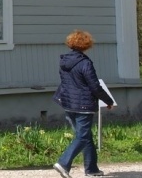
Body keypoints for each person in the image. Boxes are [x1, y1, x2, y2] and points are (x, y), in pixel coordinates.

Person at [52, 30, 114, 178]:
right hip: (83, 105)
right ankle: (63, 163)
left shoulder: (64, 62)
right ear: (87, 45)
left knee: (86, 136)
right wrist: (108, 100)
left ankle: (91, 169)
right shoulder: (85, 63)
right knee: (83, 137)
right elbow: (94, 86)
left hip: (68, 103)